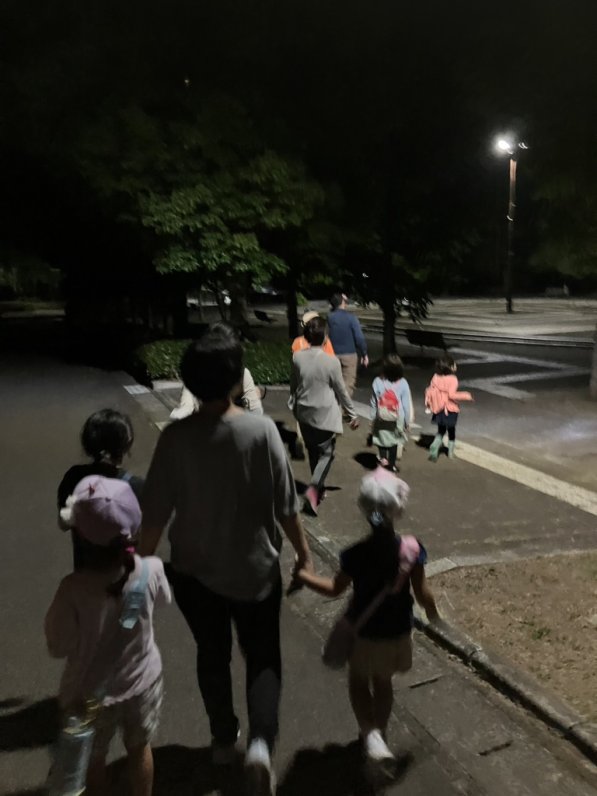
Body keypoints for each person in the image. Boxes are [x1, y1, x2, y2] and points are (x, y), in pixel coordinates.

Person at [139, 323, 313, 796]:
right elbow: (286, 507)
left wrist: (134, 566)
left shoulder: (175, 438)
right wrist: (303, 555)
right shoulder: (262, 432)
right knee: (262, 657)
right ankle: (259, 747)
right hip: (255, 570)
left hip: (194, 574)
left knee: (211, 653)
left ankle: (222, 739)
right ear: (238, 378)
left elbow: (154, 516)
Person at [293, 468, 438, 780]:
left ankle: (370, 737)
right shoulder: (412, 549)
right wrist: (434, 614)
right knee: (383, 682)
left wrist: (303, 575)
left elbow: (334, 589)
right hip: (397, 631)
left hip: (365, 633)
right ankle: (380, 733)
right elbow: (423, 593)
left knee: (359, 682)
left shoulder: (355, 554)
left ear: (363, 508)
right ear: (398, 509)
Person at [46, 475, 171, 796]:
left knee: (93, 756)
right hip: (142, 682)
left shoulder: (72, 589)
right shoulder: (151, 570)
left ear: (79, 537)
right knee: (139, 749)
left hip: (90, 694)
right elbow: (161, 602)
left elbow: (58, 645)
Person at [290, 316, 359, 516]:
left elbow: (294, 386)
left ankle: (317, 493)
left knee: (313, 451)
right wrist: (352, 414)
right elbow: (341, 391)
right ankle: (313, 489)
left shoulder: (297, 357)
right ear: (325, 337)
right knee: (328, 453)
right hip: (324, 415)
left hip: (304, 413)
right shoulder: (331, 362)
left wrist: (294, 406)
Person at [58, 409, 144, 569]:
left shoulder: (74, 477)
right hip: (124, 573)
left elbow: (63, 522)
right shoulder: (136, 486)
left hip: (85, 570)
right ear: (127, 443)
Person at [290, 310, 335, 459]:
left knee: (302, 416)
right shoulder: (325, 342)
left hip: (302, 385)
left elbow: (294, 365)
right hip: (320, 385)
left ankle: (301, 438)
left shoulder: (297, 343)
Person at [425, 355, 473, 461]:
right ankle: (450, 453)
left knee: (441, 430)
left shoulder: (435, 377)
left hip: (438, 408)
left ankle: (435, 445)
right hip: (450, 409)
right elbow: (452, 395)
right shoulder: (453, 379)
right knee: (451, 430)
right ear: (450, 367)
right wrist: (466, 395)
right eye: (454, 364)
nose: (456, 365)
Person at [369, 354, 413, 472]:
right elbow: (406, 405)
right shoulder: (403, 383)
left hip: (381, 416)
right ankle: (392, 465)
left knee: (381, 439)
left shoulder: (377, 381)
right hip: (397, 418)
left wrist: (372, 418)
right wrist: (407, 422)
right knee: (394, 441)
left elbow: (373, 402)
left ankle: (384, 460)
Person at [327, 292, 368, 397]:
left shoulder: (329, 318)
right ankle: (343, 405)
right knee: (348, 383)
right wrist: (364, 353)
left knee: (334, 383)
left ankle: (335, 403)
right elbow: (359, 338)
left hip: (332, 354)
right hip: (349, 354)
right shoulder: (351, 318)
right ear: (342, 303)